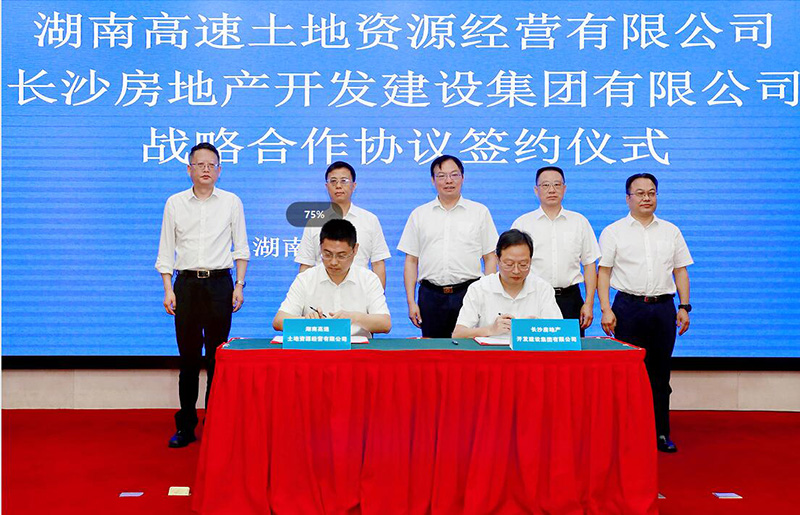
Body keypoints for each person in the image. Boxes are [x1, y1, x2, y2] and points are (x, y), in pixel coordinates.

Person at [155, 142, 250, 448]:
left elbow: (241, 247)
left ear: (219, 170)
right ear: (189, 169)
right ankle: (186, 426)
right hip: (186, 285)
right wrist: (168, 289)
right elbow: (166, 250)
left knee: (216, 359)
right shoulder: (175, 203)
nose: (206, 169)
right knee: (188, 360)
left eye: (212, 165)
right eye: (200, 164)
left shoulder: (232, 202)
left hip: (220, 285)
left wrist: (239, 285)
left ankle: (216, 422)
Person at [598, 173, 693, 453]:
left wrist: (684, 306)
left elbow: (680, 271)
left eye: (651, 193)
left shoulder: (671, 231)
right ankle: (626, 434)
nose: (646, 198)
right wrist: (605, 309)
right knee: (626, 375)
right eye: (639, 193)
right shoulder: (614, 231)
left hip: (663, 308)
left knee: (660, 374)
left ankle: (661, 433)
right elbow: (604, 273)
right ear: (628, 198)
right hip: (627, 308)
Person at [398, 155, 499, 338]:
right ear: (432, 180)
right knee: (433, 350)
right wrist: (411, 302)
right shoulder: (419, 214)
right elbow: (411, 261)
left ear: (463, 177)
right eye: (441, 176)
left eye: (454, 175)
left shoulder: (479, 212)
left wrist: (486, 293)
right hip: (431, 295)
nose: (448, 181)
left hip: (469, 292)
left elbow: (490, 257)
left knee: (470, 348)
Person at [511, 166, 601, 336]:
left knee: (570, 349)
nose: (551, 190)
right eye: (545, 185)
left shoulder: (579, 222)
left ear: (564, 188)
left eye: (557, 185)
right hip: (532, 297)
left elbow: (589, 264)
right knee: (532, 348)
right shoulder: (522, 223)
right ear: (536, 190)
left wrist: (589, 303)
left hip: (570, 299)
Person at [274, 218, 391, 337]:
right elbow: (278, 321)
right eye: (327, 254)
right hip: (317, 345)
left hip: (357, 346)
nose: (333, 262)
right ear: (320, 248)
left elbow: (385, 324)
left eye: (341, 256)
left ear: (355, 249)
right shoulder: (306, 279)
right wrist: (305, 321)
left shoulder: (368, 279)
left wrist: (354, 318)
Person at [295, 161, 391, 288]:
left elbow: (378, 263)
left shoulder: (370, 220)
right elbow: (306, 265)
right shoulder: (314, 222)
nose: (338, 186)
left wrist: (378, 296)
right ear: (326, 186)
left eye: (344, 181)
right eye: (333, 181)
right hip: (322, 293)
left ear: (354, 186)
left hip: (360, 292)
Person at [453, 229, 562, 338]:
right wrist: (490, 330)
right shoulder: (479, 289)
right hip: (491, 349)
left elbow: (560, 332)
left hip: (529, 348)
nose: (516, 271)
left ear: (530, 261)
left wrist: (537, 328)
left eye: (523, 264)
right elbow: (458, 334)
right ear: (497, 260)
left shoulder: (543, 289)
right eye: (509, 264)